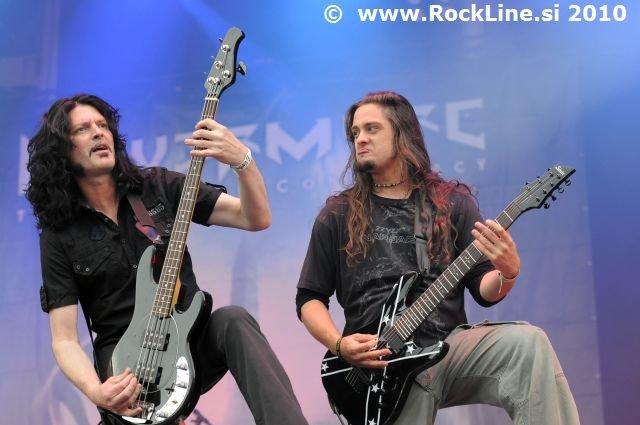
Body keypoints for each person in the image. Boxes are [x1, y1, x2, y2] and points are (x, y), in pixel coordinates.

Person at [296, 91, 579, 424]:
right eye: (355, 132)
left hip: (448, 350)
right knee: (410, 391)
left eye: (372, 129)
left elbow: (484, 289)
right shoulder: (338, 213)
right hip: (380, 366)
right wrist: (340, 345)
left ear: (402, 135)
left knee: (527, 345)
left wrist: (508, 272)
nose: (360, 139)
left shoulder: (451, 201)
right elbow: (309, 297)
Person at [27, 93, 307, 425]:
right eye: (83, 129)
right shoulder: (59, 235)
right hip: (128, 371)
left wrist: (242, 161)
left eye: (103, 125)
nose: (99, 133)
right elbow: (64, 340)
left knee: (233, 320)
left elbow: (255, 217)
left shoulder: (156, 185)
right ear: (61, 150)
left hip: (186, 342)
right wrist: (96, 391)